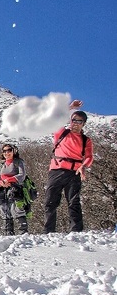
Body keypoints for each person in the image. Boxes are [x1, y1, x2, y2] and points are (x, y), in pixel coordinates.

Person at [43, 100, 94, 233]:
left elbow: (89, 156)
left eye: (79, 121)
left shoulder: (85, 140)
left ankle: (76, 232)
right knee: (50, 202)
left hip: (74, 172)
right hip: (57, 170)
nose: (76, 123)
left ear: (83, 124)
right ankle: (48, 232)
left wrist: (83, 166)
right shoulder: (61, 132)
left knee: (74, 202)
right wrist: (70, 107)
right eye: (74, 120)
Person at [0, 144, 28, 235]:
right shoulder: (0, 164)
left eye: (9, 150)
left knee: (16, 208)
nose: (6, 153)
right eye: (4, 151)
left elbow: (22, 175)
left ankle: (23, 231)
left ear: (14, 151)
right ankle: (8, 232)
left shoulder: (19, 162)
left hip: (16, 188)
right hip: (2, 189)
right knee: (4, 209)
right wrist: (0, 182)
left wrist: (9, 179)